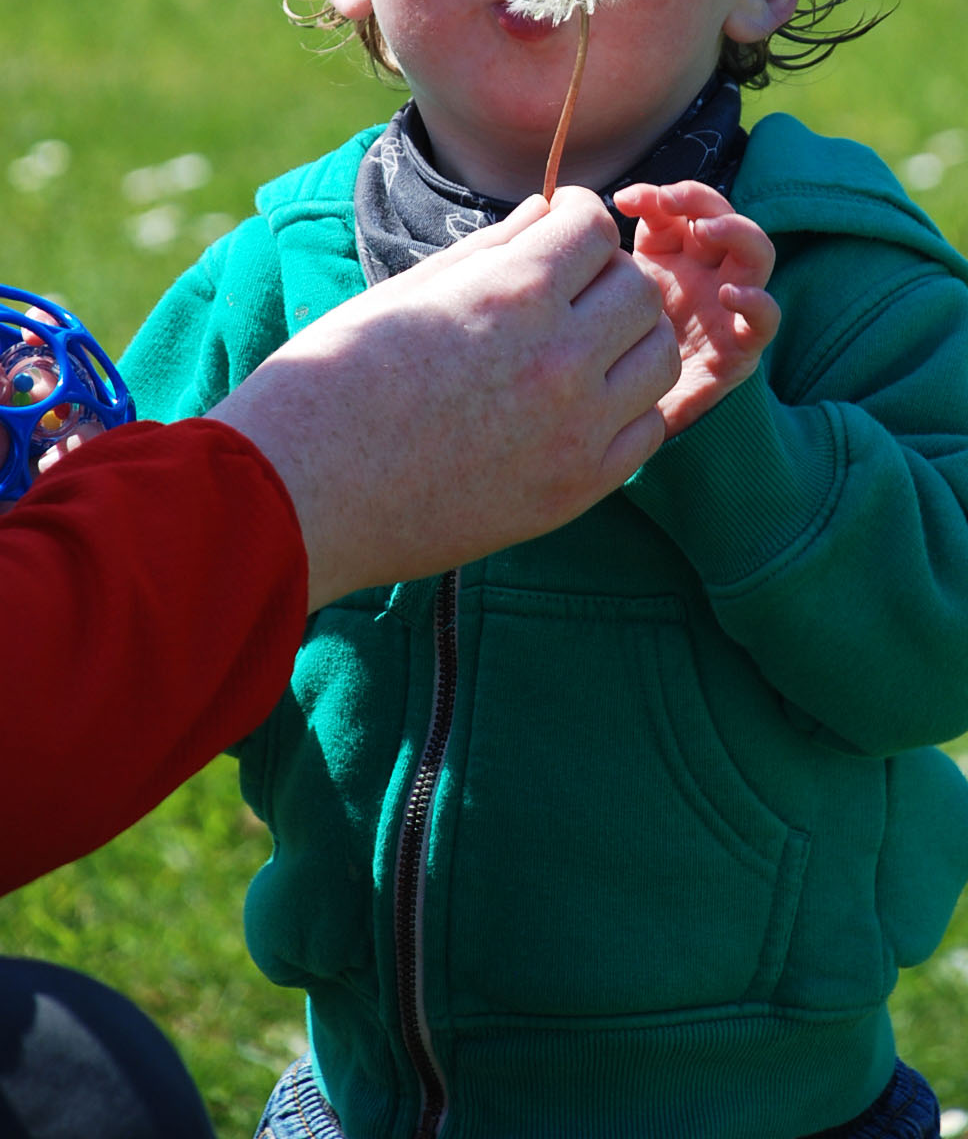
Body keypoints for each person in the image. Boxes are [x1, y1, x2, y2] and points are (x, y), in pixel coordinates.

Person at [121, 0, 968, 1139]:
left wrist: (739, 436)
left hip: (768, 1106)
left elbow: (943, 649)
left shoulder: (831, 277)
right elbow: (120, 593)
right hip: (372, 1095)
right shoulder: (277, 278)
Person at [1, 191, 676, 1136]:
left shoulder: (826, 258)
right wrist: (285, 496)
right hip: (358, 1091)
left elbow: (926, 664)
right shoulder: (279, 258)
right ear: (356, 25)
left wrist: (734, 435)